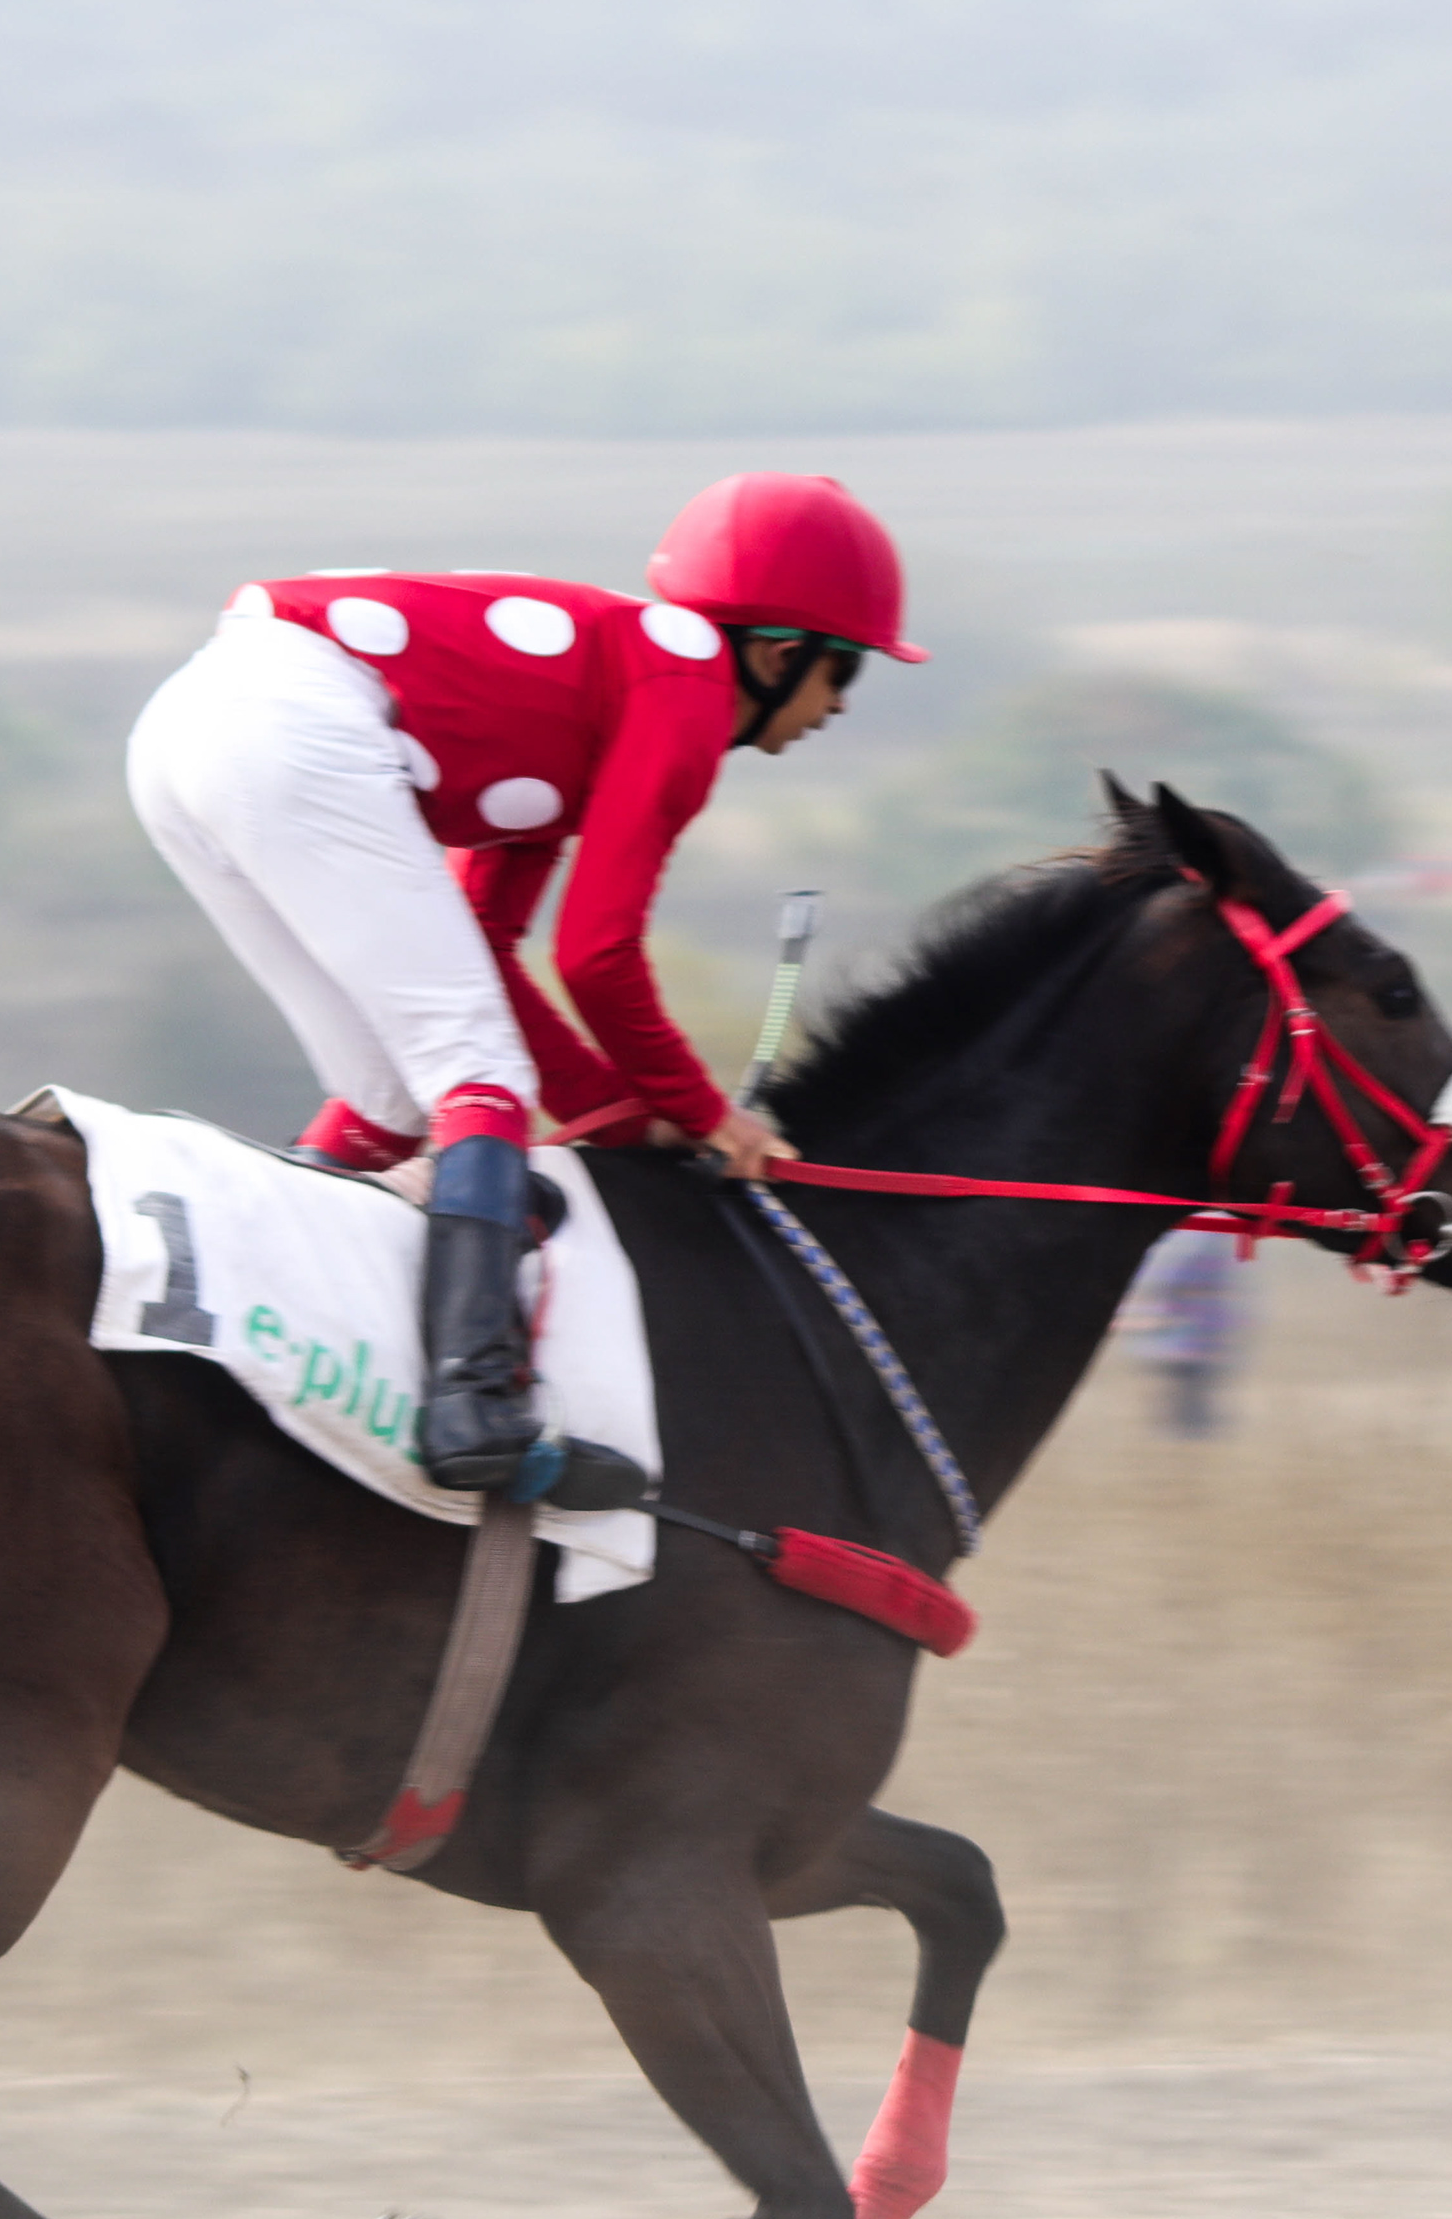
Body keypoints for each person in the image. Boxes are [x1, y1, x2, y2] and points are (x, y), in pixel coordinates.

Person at [126, 473, 922, 1501]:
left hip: (190, 730)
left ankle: (254, 1344)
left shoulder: (611, 683)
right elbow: (597, 955)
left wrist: (616, 1113)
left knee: (391, 1095)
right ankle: (476, 1403)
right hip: (288, 724)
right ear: (778, 654)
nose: (842, 703)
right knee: (477, 1076)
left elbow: (487, 943)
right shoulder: (681, 694)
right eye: (843, 668)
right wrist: (703, 1113)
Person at [1117, 1229, 1249, 1438]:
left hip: (1194, 1335)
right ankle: (1189, 1423)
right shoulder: (1204, 1249)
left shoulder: (1197, 1248)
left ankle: (1189, 1423)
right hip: (1194, 1335)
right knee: (1192, 1384)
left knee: (1193, 1384)